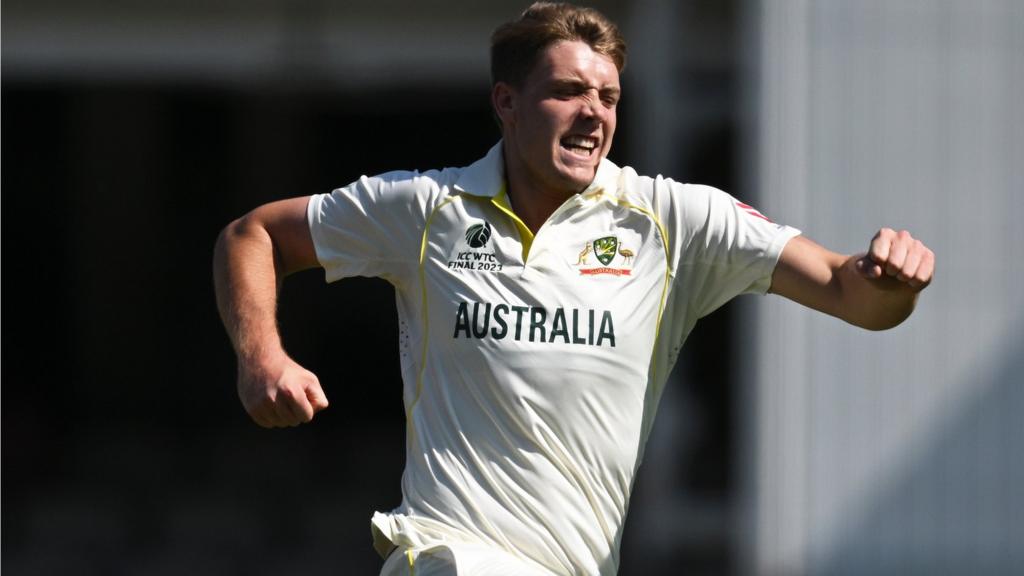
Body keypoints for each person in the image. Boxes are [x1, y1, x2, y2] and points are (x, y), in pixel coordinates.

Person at [212, 3, 934, 575]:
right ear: (508, 102)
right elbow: (254, 235)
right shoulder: (428, 208)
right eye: (567, 91)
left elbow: (850, 294)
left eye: (609, 96)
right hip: (451, 555)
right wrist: (262, 357)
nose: (595, 112)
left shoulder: (675, 220)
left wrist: (891, 282)